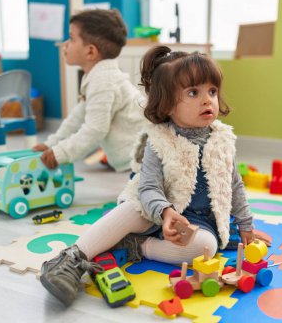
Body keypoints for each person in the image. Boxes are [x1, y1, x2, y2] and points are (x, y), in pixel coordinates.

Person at [40, 45, 259, 307]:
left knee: (206, 248)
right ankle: (71, 258)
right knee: (127, 211)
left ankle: (135, 246)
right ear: (167, 105)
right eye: (193, 92)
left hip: (198, 221)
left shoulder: (223, 140)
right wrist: (165, 212)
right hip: (154, 209)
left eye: (212, 91)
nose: (207, 100)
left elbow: (234, 185)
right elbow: (148, 188)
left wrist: (245, 224)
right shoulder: (160, 140)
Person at [33, 9, 147, 172]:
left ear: (90, 51)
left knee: (140, 194)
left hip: (146, 155)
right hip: (138, 155)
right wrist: (51, 143)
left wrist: (61, 152)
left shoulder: (103, 81)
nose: (65, 44)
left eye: (71, 38)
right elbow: (78, 116)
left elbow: (95, 130)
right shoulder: (97, 76)